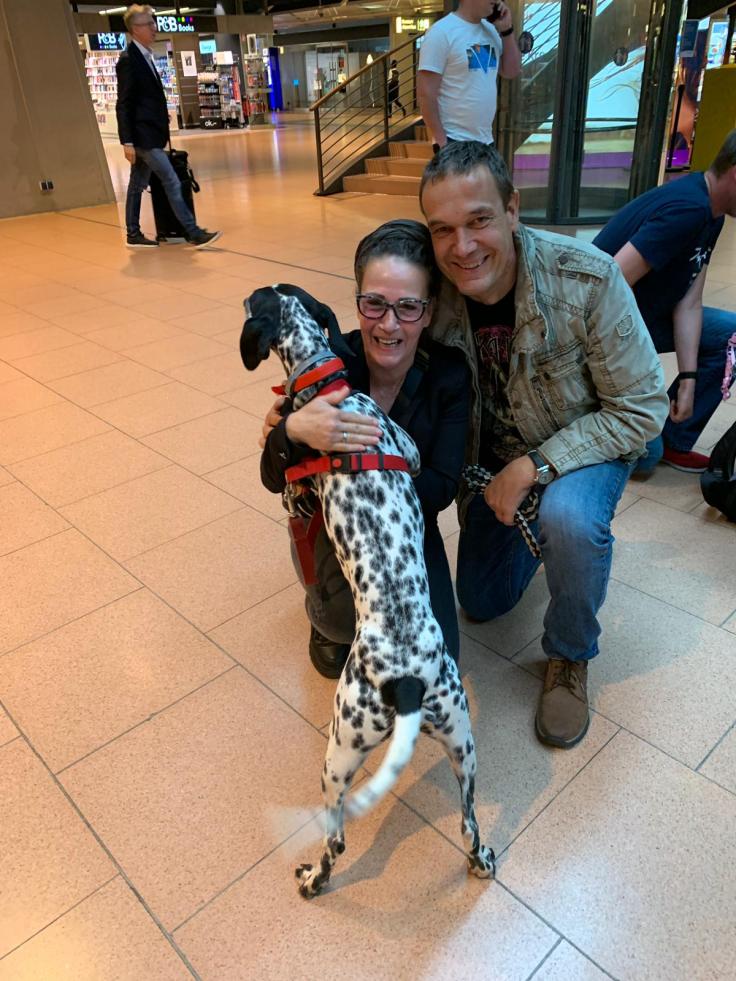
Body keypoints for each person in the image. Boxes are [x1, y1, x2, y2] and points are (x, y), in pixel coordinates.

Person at [419, 141, 669, 748]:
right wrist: (310, 404)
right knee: (481, 601)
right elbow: (381, 349)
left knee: (571, 518)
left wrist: (535, 466)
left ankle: (570, 654)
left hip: (584, 443)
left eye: (479, 220)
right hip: (492, 467)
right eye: (442, 229)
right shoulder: (433, 293)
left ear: (512, 209)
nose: (462, 247)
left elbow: (641, 407)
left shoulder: (587, 278)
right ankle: (542, 534)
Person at [259, 220, 470, 677]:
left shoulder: (449, 374)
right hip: (333, 526)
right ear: (357, 302)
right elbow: (273, 478)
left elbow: (441, 487)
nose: (388, 324)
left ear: (429, 312)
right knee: (341, 627)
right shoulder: (328, 365)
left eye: (408, 307)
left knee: (440, 659)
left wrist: (370, 468)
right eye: (374, 304)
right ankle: (324, 614)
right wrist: (292, 431)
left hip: (408, 526)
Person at [594, 130, 736, 473]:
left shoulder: (711, 213)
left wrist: (688, 379)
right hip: (597, 333)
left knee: (731, 335)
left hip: (645, 320)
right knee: (644, 459)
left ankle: (676, 439)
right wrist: (639, 377)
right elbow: (603, 290)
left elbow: (689, 302)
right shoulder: (688, 209)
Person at [116, 5, 221, 250]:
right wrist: (127, 141)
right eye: (148, 24)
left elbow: (147, 98)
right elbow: (124, 103)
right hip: (143, 136)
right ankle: (193, 232)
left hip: (150, 132)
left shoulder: (145, 55)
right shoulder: (129, 60)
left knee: (137, 184)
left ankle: (133, 233)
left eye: (153, 22)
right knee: (171, 180)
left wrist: (161, 117)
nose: (154, 27)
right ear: (135, 29)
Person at [417, 0, 521, 152]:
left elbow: (511, 71)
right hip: (453, 140)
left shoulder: (490, 30)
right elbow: (426, 94)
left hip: (485, 140)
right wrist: (442, 142)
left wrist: (506, 30)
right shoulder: (441, 32)